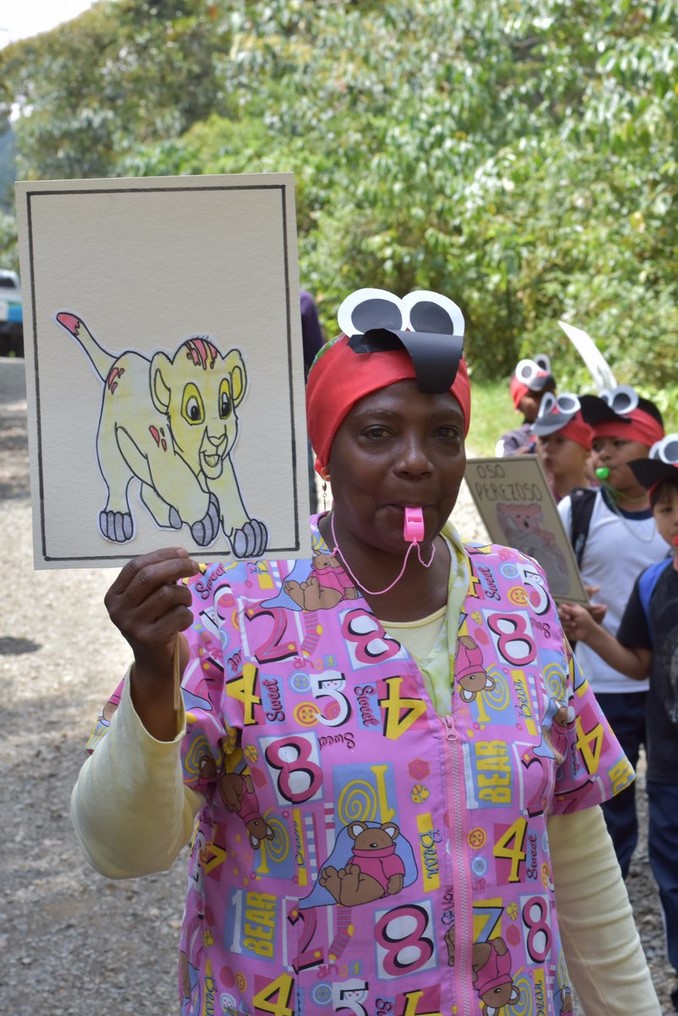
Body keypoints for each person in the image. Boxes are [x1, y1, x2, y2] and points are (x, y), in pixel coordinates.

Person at [71, 289, 660, 1014]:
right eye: (378, 433)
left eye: (444, 435)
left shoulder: (521, 598)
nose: (417, 463)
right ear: (325, 452)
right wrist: (152, 682)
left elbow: (574, 847)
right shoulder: (233, 610)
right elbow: (123, 851)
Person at [560, 434, 678, 1011]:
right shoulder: (655, 584)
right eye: (664, 506)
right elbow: (637, 662)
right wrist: (588, 632)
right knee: (671, 872)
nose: (674, 518)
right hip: (671, 765)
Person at [557, 386, 667, 878]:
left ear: (651, 446)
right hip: (600, 683)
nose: (601, 453)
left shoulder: (671, 518)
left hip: (664, 688)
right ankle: (614, 886)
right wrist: (570, 606)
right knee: (610, 803)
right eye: (597, 444)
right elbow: (542, 582)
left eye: (617, 443)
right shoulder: (577, 512)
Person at [532, 391, 595, 502]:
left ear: (587, 450)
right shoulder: (533, 499)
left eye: (560, 441)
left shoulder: (604, 501)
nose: (548, 448)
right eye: (544, 440)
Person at [495, 354, 556, 456]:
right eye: (536, 396)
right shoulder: (511, 441)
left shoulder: (565, 435)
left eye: (549, 394)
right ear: (519, 405)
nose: (544, 400)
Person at [300, 288, 325, 514]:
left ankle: (309, 540)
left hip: (295, 407)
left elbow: (318, 363)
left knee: (303, 477)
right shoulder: (303, 301)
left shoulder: (302, 302)